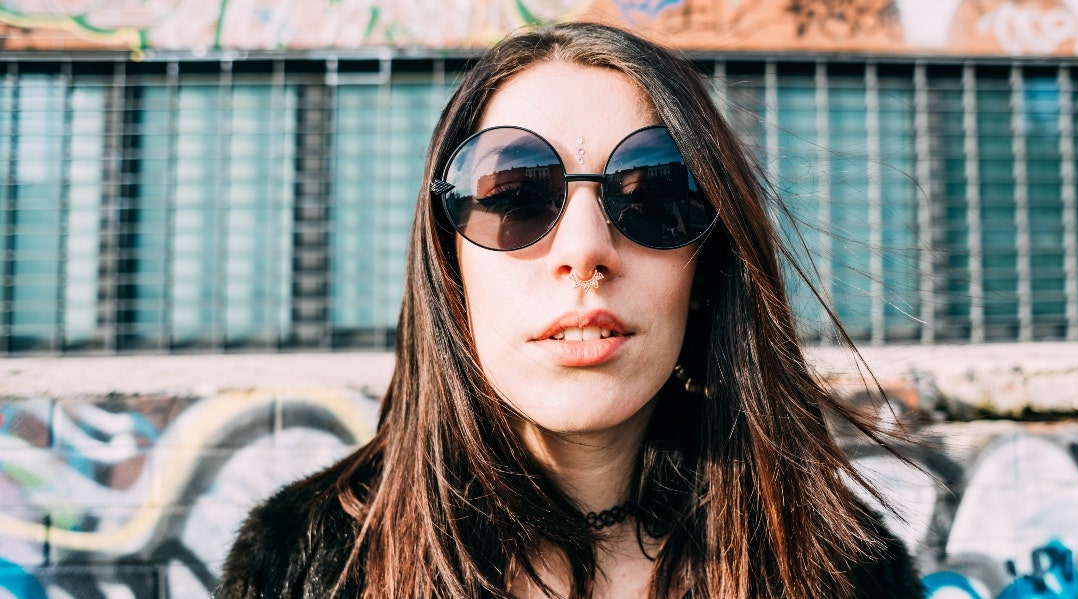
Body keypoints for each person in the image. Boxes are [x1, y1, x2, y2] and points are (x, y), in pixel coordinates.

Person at [217, 21, 924, 599]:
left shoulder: (844, 569)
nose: (585, 250)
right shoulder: (301, 568)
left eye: (653, 194)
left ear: (707, 267)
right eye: (515, 195)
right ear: (450, 267)